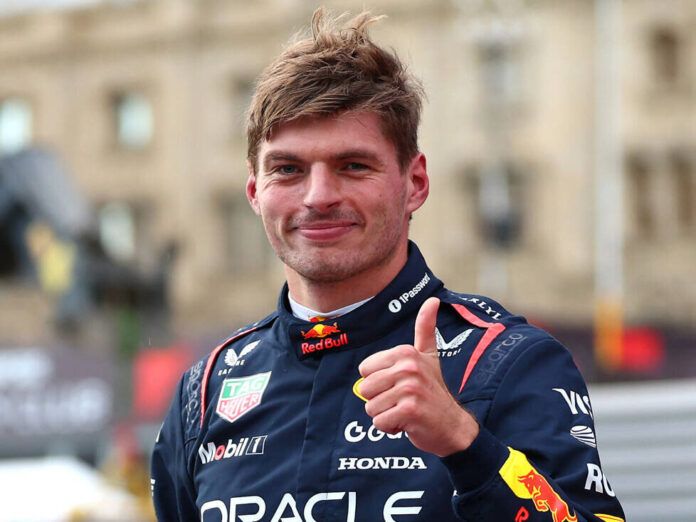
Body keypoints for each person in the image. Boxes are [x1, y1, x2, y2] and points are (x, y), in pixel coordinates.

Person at [151, 9, 625, 522]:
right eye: (287, 169)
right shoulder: (206, 390)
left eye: (353, 166)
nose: (318, 196)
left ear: (414, 183)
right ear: (254, 191)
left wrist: (466, 445)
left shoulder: (509, 361)